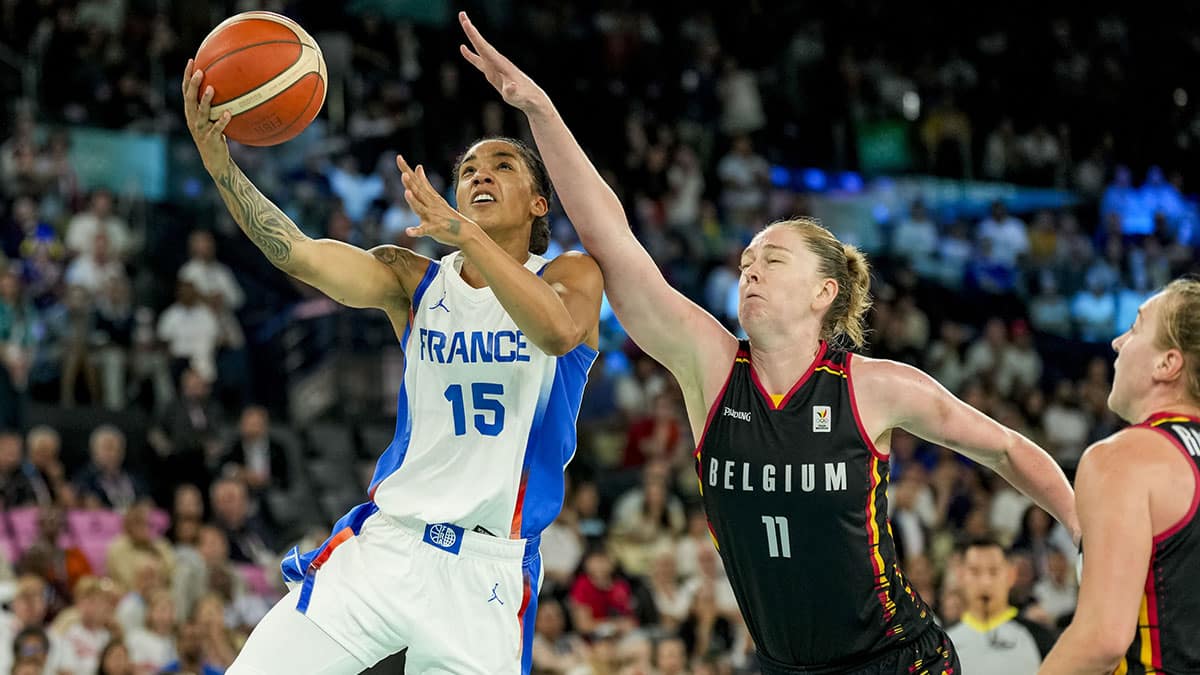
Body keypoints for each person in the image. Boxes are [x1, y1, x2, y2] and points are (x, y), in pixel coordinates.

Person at [456, 12, 1079, 673]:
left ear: (824, 293)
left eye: (773, 261)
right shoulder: (711, 366)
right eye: (746, 261)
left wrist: (1083, 529)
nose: (750, 270)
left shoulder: (875, 386)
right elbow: (612, 239)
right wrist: (541, 111)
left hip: (895, 658)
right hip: (778, 663)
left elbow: (1008, 449)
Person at [181, 46, 604, 674]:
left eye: (503, 164)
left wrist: (468, 238)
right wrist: (222, 167)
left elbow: (555, 334)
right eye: (469, 170)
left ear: (541, 203)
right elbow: (299, 254)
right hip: (388, 544)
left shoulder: (571, 275)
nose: (480, 175)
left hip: (486, 575)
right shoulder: (415, 280)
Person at [1040, 278, 1200, 674]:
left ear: (1167, 363)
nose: (1117, 342)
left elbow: (1103, 639)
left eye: (1136, 326)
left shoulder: (1123, 458)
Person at [945, 537, 1054, 674]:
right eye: (975, 572)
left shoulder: (1038, 637)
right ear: (960, 576)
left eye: (994, 571)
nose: (985, 582)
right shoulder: (943, 643)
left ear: (1011, 575)